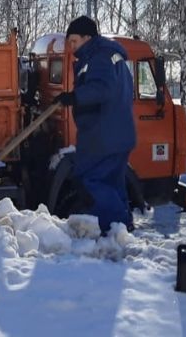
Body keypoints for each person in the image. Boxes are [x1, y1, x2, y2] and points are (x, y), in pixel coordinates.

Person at [53, 16, 136, 234]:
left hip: (103, 136)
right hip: (117, 134)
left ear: (87, 37)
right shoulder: (112, 56)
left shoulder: (98, 56)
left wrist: (73, 97)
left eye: (74, 41)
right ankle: (122, 230)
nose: (71, 47)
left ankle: (114, 229)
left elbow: (102, 89)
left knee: (93, 180)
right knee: (114, 184)